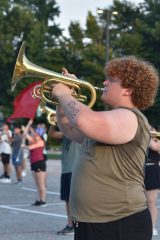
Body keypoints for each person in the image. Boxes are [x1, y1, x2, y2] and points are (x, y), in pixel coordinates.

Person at [51, 56, 159, 240]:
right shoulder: (110, 119)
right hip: (94, 223)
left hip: (119, 224)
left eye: (112, 80)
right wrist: (62, 104)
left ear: (128, 89)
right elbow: (69, 129)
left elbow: (84, 121)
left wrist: (64, 94)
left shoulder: (130, 117)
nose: (104, 82)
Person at [48, 125, 81, 235]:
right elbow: (51, 134)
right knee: (67, 199)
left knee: (76, 201)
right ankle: (70, 224)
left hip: (75, 170)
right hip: (66, 170)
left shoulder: (77, 131)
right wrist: (52, 122)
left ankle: (78, 226)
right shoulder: (66, 133)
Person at [23, 126, 47, 206]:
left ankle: (43, 200)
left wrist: (24, 146)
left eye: (37, 135)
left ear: (40, 136)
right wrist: (29, 125)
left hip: (39, 163)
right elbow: (25, 134)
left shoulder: (41, 142)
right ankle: (38, 200)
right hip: (33, 163)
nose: (35, 136)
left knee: (41, 183)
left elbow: (31, 147)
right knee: (37, 184)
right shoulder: (33, 140)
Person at [145, 126, 160, 236]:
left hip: (152, 170)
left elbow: (155, 147)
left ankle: (152, 226)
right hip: (138, 170)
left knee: (151, 201)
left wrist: (150, 136)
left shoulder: (156, 137)